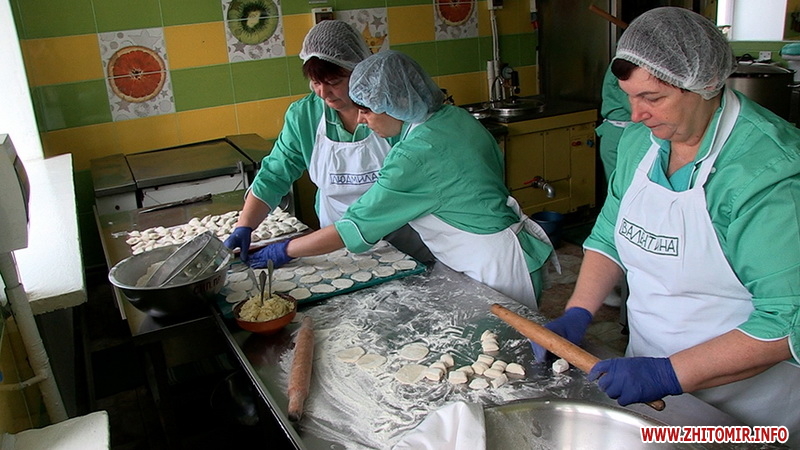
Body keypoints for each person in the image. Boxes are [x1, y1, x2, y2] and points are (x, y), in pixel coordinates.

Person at [532, 7, 800, 443]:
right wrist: (578, 311)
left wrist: (669, 373)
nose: (636, 114)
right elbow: (610, 235)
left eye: (652, 98)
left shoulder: (767, 173)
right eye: (629, 96)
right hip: (653, 377)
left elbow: (788, 320)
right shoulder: (643, 141)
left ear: (706, 84)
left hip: (746, 404)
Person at [244, 50, 558, 310]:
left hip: (492, 269)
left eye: (366, 110)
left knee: (510, 354)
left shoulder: (415, 155)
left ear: (393, 103)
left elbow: (353, 227)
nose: (362, 119)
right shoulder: (453, 118)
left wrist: (286, 250)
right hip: (501, 251)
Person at [224, 20, 431, 265]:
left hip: (403, 237)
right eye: (316, 83)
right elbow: (275, 174)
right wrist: (245, 225)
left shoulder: (391, 110)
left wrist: (289, 250)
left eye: (334, 83)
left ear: (359, 70)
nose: (323, 93)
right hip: (334, 244)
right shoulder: (305, 116)